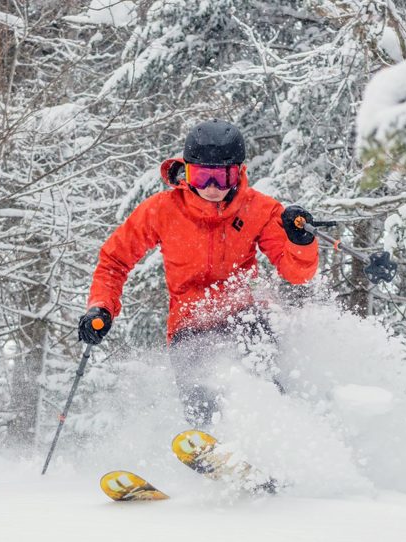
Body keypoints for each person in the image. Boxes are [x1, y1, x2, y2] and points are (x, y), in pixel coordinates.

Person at [79, 119, 319, 425]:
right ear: (186, 172)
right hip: (189, 325)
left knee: (261, 381)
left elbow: (297, 274)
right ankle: (211, 445)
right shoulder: (162, 210)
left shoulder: (258, 209)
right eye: (203, 176)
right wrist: (101, 306)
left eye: (223, 177)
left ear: (238, 172)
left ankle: (280, 439)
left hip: (243, 317)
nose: (212, 188)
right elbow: (114, 261)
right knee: (202, 399)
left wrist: (302, 242)